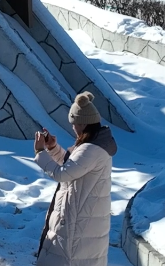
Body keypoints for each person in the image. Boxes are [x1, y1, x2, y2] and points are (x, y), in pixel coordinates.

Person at [33, 92, 118, 266]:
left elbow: (63, 174)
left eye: (74, 124)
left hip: (78, 224)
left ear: (83, 123)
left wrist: (40, 153)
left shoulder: (90, 149)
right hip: (81, 220)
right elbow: (73, 168)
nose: (73, 128)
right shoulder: (93, 145)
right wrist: (53, 148)